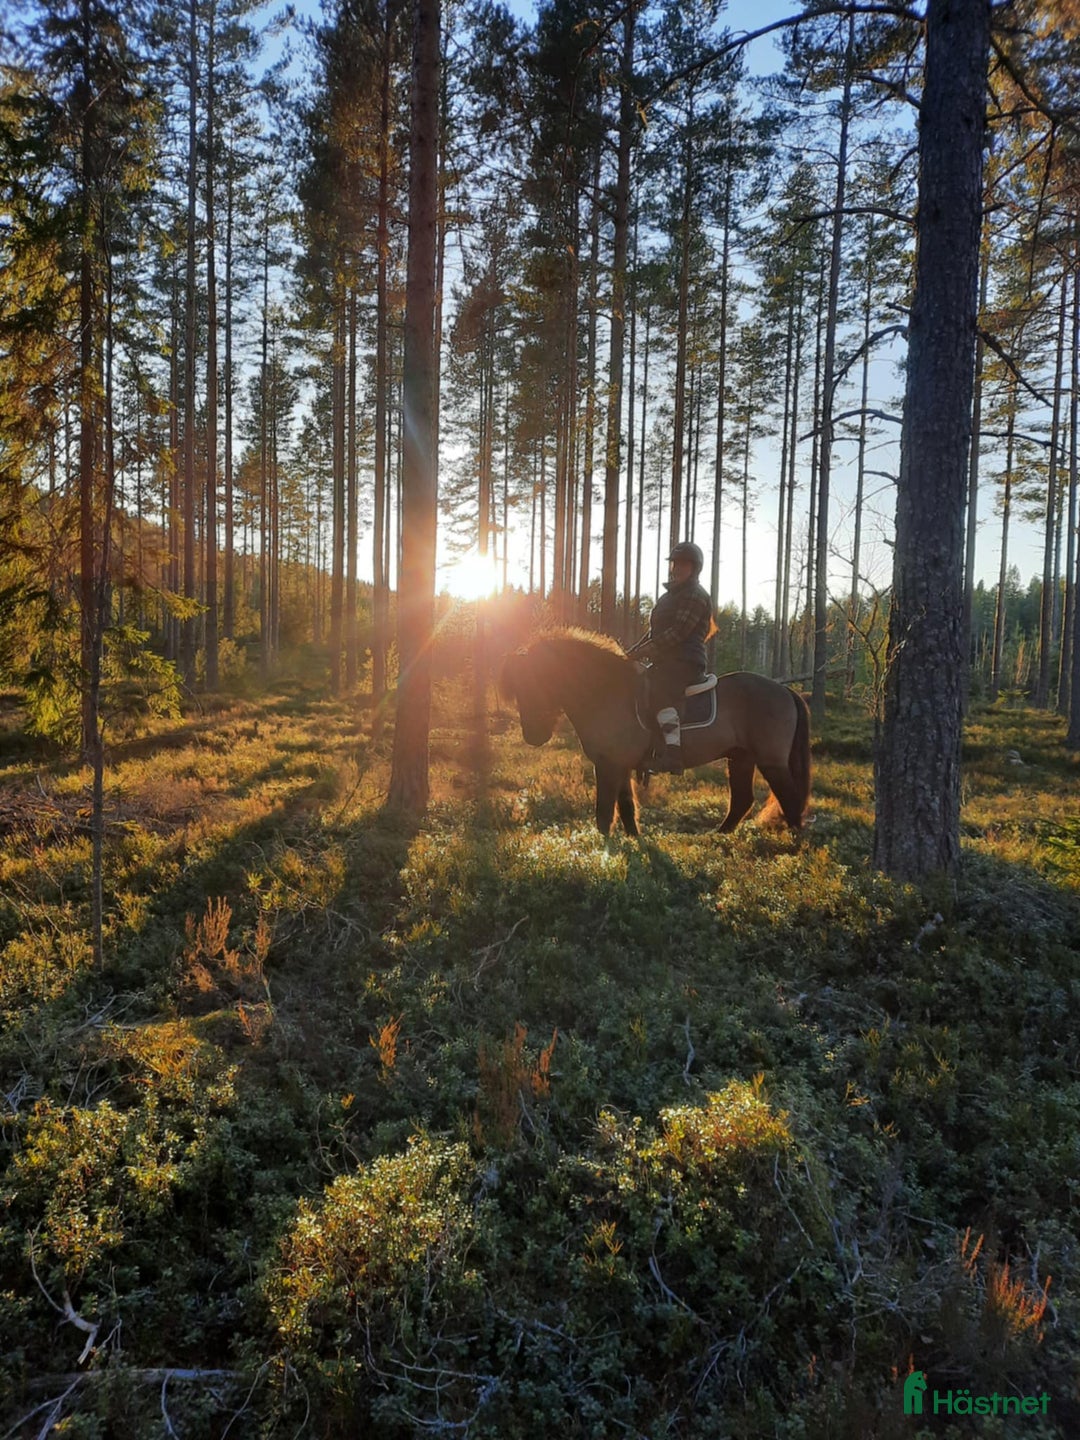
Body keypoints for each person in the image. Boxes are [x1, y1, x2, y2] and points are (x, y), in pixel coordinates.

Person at [627, 541, 714, 774]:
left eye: (683, 564)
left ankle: (673, 754)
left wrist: (646, 651)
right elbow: (653, 633)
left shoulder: (696, 595)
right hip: (666, 660)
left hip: (685, 661)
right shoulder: (668, 597)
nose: (677, 568)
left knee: (658, 691)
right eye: (675, 563)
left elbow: (679, 632)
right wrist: (632, 651)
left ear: (694, 568)